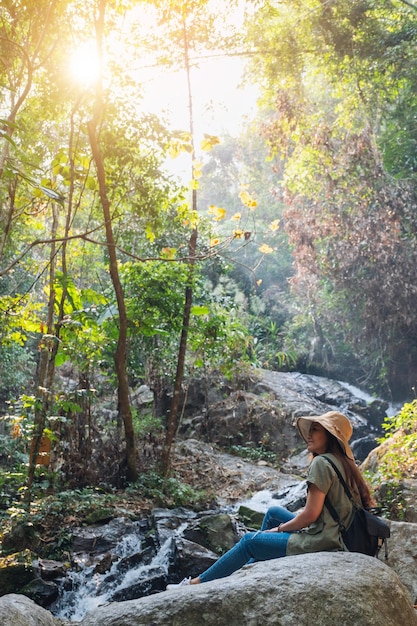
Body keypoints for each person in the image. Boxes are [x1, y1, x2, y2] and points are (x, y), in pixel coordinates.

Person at [166, 410, 376, 589]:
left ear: (330, 436)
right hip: (337, 534)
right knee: (274, 512)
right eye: (310, 429)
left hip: (326, 541)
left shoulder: (321, 463)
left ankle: (196, 585)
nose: (309, 435)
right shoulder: (345, 463)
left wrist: (277, 531)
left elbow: (310, 515)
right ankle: (252, 566)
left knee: (250, 540)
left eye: (316, 429)